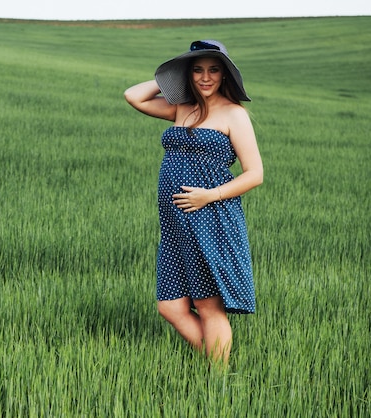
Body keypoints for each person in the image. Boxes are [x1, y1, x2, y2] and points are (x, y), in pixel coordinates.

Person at [124, 40, 263, 365]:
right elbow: (133, 96)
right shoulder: (180, 107)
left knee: (208, 306)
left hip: (210, 219)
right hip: (175, 224)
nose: (205, 77)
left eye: (213, 69)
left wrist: (209, 195)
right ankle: (217, 367)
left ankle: (218, 382)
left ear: (225, 74)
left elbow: (255, 173)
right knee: (170, 307)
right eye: (197, 70)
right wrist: (172, 77)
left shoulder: (234, 114)